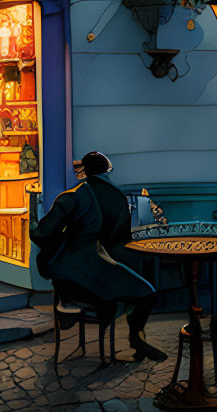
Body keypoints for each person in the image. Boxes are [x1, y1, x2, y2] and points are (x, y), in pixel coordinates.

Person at [30, 151, 167, 361]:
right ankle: (135, 338)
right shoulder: (118, 198)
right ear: (108, 170)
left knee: (112, 292)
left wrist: (39, 225)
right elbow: (119, 238)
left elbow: (41, 233)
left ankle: (70, 309)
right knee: (147, 293)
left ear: (85, 171)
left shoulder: (72, 196)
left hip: (73, 268)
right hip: (95, 263)